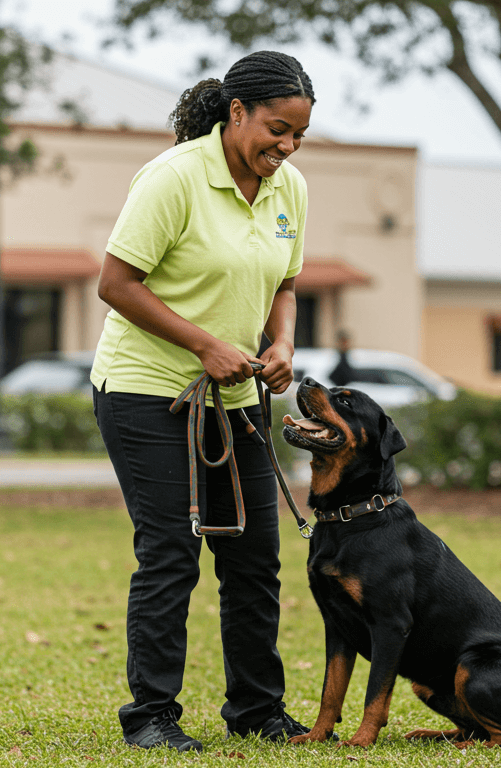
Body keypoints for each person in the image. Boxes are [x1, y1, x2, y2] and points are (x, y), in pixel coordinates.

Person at [88, 51, 315, 753]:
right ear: (236, 112)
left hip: (238, 396)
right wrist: (204, 345)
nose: (287, 147)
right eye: (277, 130)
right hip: (147, 390)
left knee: (254, 557)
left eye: (299, 135)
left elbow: (284, 284)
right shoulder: (174, 176)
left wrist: (282, 343)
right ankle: (151, 716)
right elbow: (116, 284)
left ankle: (257, 709)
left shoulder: (290, 188)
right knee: (171, 553)